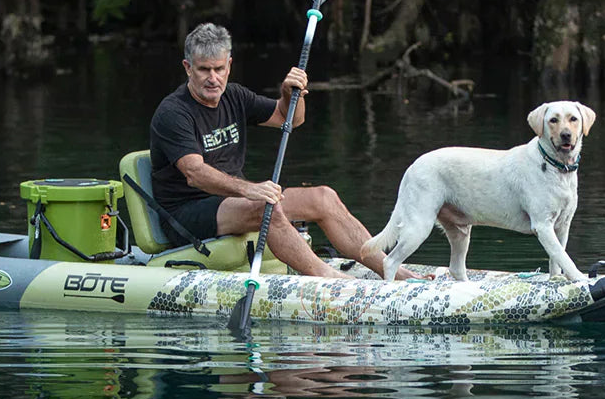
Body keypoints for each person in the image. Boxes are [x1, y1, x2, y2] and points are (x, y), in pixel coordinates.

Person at [148, 23, 419, 280]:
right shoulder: (173, 113)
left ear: (229, 65)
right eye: (203, 70)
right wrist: (249, 190)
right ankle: (328, 278)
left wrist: (291, 95)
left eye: (219, 68)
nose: (213, 78)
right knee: (267, 206)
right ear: (187, 68)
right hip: (186, 214)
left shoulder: (235, 96)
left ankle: (391, 268)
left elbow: (288, 118)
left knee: (323, 197)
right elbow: (195, 173)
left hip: (231, 203)